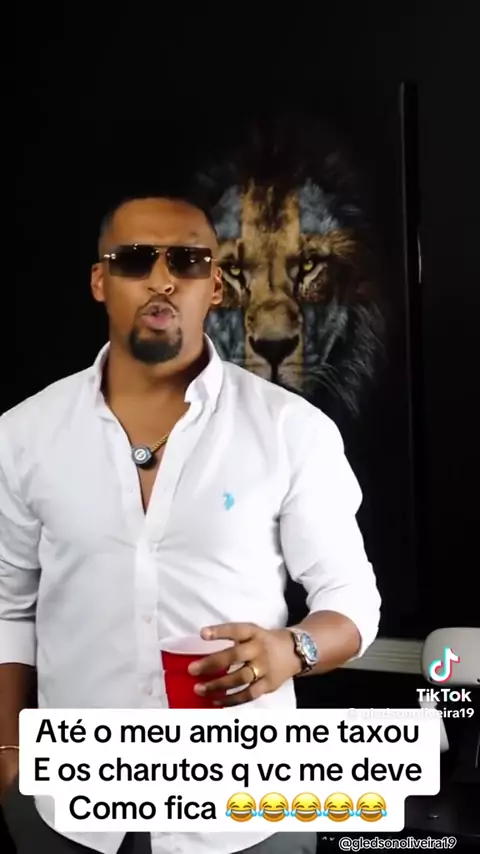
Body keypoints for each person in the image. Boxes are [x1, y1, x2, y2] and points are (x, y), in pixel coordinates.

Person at [0, 193, 381, 854]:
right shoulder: (24, 435)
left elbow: (351, 601)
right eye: (135, 260)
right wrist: (9, 751)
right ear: (100, 281)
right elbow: (10, 607)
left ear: (216, 285)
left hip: (248, 815)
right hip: (70, 813)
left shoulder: (292, 430)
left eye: (188, 261)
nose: (163, 279)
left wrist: (292, 649)